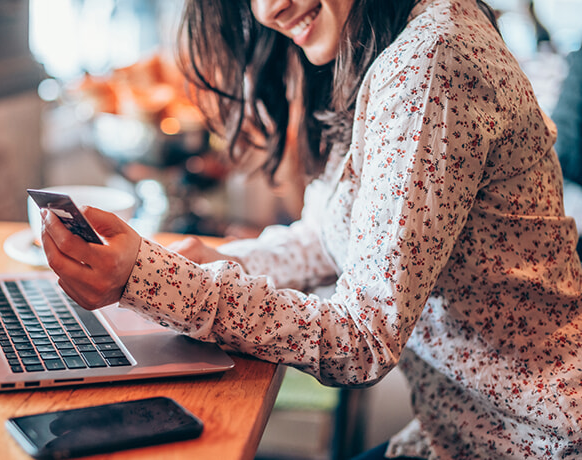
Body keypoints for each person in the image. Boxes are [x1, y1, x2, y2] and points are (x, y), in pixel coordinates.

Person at [40, 0, 582, 458]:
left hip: (529, 441)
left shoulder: (430, 61)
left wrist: (151, 283)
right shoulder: (389, 44)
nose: (267, 8)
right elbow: (331, 234)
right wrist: (213, 262)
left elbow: (362, 339)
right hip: (458, 433)